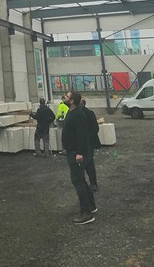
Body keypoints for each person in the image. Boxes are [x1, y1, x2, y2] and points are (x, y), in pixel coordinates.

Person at [61, 89, 96, 225]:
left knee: (77, 181)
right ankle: (91, 206)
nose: (64, 97)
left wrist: (80, 153)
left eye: (66, 96)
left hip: (76, 153)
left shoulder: (78, 114)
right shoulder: (72, 112)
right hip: (73, 151)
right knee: (81, 180)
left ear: (72, 101)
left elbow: (82, 135)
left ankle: (86, 213)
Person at [81, 98, 101, 192]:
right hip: (89, 142)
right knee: (89, 163)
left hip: (86, 142)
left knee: (87, 163)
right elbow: (95, 128)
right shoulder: (90, 113)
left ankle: (90, 183)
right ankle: (93, 183)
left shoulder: (84, 114)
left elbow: (95, 128)